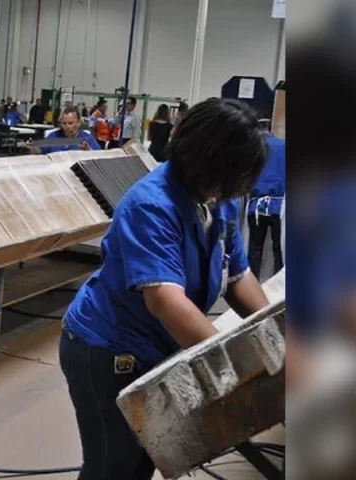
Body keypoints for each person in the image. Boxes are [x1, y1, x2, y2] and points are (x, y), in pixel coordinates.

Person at [59, 98, 270, 480]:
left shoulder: (215, 200)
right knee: (113, 463)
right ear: (211, 161)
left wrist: (273, 337)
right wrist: (232, 370)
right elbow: (166, 301)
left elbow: (238, 278)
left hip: (158, 345)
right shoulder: (151, 206)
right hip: (108, 348)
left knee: (146, 456)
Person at [246, 132, 286, 279]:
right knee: (278, 249)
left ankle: (253, 283)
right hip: (279, 206)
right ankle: (279, 287)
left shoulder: (254, 146)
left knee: (255, 248)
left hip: (256, 205)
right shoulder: (284, 146)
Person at [28, 106, 101, 155]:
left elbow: (99, 158)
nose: (67, 126)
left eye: (70, 123)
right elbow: (40, 154)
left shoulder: (87, 139)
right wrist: (33, 148)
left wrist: (89, 152)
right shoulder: (53, 137)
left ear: (79, 123)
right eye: (64, 123)